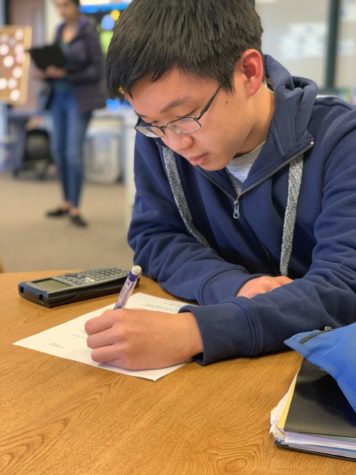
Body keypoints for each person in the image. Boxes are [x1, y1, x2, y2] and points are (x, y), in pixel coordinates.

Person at [85, 0, 356, 370]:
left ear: (249, 71)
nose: (175, 142)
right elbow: (155, 236)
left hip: (317, 371)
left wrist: (194, 331)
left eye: (185, 117)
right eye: (150, 121)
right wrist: (232, 285)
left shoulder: (342, 142)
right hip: (221, 370)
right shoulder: (159, 136)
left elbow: (344, 285)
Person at [37, 0, 106, 227]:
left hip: (78, 99)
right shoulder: (59, 30)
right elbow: (56, 61)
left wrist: (64, 74)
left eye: (65, 5)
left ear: (76, 5)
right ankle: (66, 202)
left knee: (73, 154)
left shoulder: (89, 31)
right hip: (57, 98)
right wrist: (46, 72)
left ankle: (76, 207)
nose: (61, 11)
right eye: (57, 6)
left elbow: (97, 71)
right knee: (58, 151)